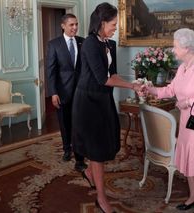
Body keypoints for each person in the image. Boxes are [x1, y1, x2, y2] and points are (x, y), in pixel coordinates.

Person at [71, 3, 142, 213]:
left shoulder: (109, 44)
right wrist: (132, 86)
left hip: (103, 100)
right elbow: (103, 79)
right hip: (88, 102)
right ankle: (101, 200)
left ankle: (90, 174)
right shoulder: (90, 44)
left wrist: (134, 83)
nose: (116, 28)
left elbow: (113, 75)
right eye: (113, 24)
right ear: (102, 23)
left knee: (103, 144)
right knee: (97, 151)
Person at [144, 28, 194, 213]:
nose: (173, 48)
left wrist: (188, 101)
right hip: (188, 120)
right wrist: (151, 89)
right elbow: (171, 90)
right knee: (190, 157)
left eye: (175, 45)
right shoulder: (183, 67)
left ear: (186, 48)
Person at [46, 13, 87, 172]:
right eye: (71, 25)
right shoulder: (54, 44)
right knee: (65, 123)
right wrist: (53, 92)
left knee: (80, 124)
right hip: (62, 92)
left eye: (76, 24)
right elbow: (50, 71)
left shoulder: (83, 42)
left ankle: (80, 156)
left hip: (81, 91)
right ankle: (67, 149)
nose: (75, 27)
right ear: (63, 26)